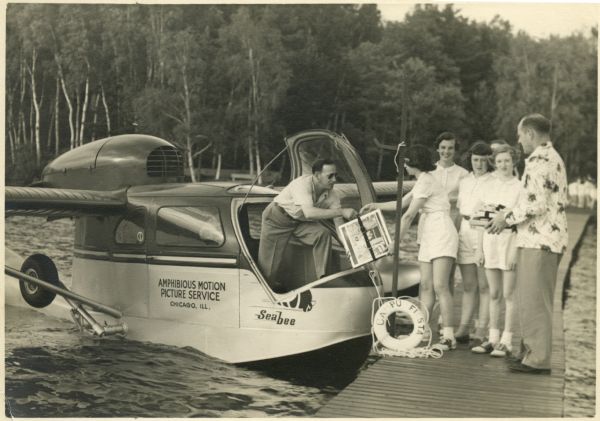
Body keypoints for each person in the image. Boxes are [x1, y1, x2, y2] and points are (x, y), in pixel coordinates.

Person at [488, 113, 568, 374]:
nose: (518, 139)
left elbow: (535, 204)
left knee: (536, 301)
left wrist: (504, 219)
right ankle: (528, 354)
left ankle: (537, 360)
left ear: (531, 134)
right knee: (529, 299)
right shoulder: (544, 158)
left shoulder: (540, 161)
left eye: (520, 134)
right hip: (536, 238)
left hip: (541, 240)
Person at [362, 145, 459, 350]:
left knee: (440, 285)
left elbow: (408, 215)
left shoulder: (426, 180)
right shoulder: (422, 180)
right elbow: (402, 203)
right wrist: (376, 206)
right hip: (429, 233)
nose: (402, 166)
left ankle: (449, 337)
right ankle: (421, 331)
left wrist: (394, 243)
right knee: (425, 285)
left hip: (441, 231)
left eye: (403, 163)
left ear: (408, 163)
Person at [258, 159, 357, 291]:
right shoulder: (302, 185)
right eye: (330, 176)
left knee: (323, 234)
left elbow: (339, 226)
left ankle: (323, 279)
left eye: (336, 175)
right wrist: (342, 211)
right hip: (277, 219)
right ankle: (264, 292)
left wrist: (353, 248)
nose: (334, 179)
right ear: (316, 175)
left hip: (300, 221)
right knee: (269, 267)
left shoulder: (332, 195)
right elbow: (310, 213)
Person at [471, 145, 522, 357]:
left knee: (509, 294)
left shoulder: (520, 187)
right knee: (493, 293)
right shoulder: (488, 186)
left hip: (510, 240)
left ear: (514, 162)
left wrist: (514, 252)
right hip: (490, 242)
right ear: (495, 162)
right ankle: (492, 338)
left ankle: (507, 340)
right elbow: (482, 220)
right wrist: (479, 249)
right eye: (499, 161)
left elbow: (522, 223)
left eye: (507, 161)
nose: (503, 165)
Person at [454, 141, 494, 345]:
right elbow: (460, 209)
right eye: (475, 160)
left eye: (482, 160)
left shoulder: (493, 181)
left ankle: (481, 329)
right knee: (469, 284)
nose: (478, 164)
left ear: (489, 160)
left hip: (484, 231)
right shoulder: (465, 180)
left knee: (484, 285)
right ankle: (463, 327)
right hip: (465, 229)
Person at [432, 132, 469, 229]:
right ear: (438, 149)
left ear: (455, 150)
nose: (446, 151)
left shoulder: (464, 174)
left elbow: (465, 204)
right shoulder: (429, 172)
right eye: (443, 147)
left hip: (453, 222)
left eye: (450, 148)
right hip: (430, 223)